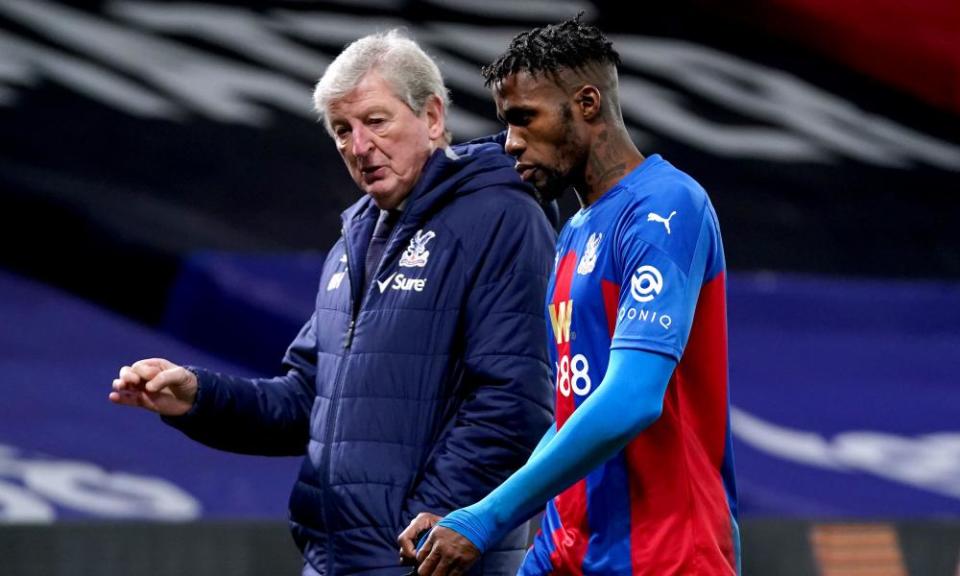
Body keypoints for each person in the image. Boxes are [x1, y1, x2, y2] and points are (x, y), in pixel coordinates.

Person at [110, 30, 556, 576]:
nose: (358, 146)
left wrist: (431, 525)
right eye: (342, 130)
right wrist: (197, 396)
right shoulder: (355, 240)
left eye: (376, 121)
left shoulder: (501, 218)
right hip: (336, 560)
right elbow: (305, 402)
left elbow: (514, 402)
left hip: (426, 561)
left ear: (433, 117)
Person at [399, 17, 740, 576]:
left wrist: (488, 517)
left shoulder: (666, 207)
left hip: (666, 556)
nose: (510, 141)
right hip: (567, 553)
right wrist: (476, 514)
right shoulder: (576, 232)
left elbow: (632, 398)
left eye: (524, 119)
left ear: (586, 103)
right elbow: (572, 411)